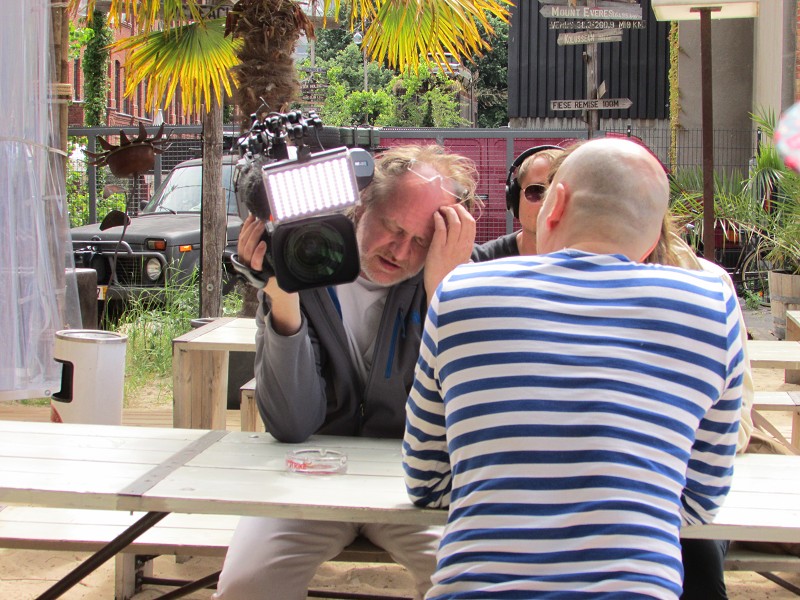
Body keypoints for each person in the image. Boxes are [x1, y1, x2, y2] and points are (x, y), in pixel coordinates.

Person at [403, 137, 745, 599]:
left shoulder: (461, 290)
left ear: (556, 203)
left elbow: (425, 482)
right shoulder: (711, 305)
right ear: (652, 236)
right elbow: (700, 504)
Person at [214, 144, 479, 600]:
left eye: (420, 240)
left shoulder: (456, 280)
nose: (400, 250)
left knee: (472, 586)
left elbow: (472, 418)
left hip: (416, 485)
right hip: (306, 476)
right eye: (393, 227)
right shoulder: (302, 258)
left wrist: (444, 293)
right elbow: (292, 423)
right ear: (360, 206)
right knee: (246, 587)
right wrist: (284, 293)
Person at [472, 144, 564, 261]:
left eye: (558, 193)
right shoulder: (479, 263)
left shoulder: (593, 266)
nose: (547, 203)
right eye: (536, 191)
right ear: (514, 197)